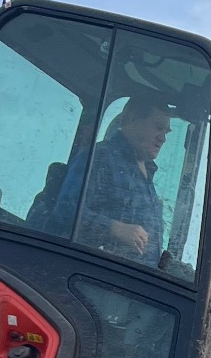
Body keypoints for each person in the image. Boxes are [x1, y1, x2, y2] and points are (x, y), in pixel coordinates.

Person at [73, 95, 173, 265]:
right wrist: (114, 228)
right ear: (132, 119)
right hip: (101, 271)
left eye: (166, 132)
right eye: (158, 127)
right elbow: (66, 213)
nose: (163, 138)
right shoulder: (100, 157)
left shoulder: (147, 175)